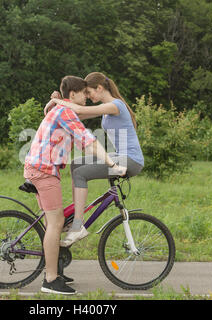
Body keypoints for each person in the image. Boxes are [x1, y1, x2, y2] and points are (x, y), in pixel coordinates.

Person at [23, 75, 127, 295]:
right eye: (83, 93)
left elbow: (52, 111)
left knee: (58, 221)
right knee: (56, 222)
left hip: (41, 169)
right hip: (43, 171)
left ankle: (55, 268)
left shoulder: (60, 110)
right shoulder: (66, 113)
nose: (87, 96)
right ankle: (50, 280)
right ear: (73, 95)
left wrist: (54, 99)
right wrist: (112, 164)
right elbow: (89, 143)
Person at [44, 72, 144, 247]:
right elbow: (75, 116)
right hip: (121, 156)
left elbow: (81, 110)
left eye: (89, 92)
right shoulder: (106, 109)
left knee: (81, 173)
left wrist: (58, 102)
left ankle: (77, 226)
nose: (88, 97)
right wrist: (58, 102)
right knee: (76, 164)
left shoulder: (115, 105)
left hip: (131, 160)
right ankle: (76, 215)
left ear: (99, 88)